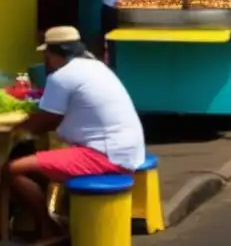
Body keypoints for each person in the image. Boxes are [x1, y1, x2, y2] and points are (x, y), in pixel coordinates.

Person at [1, 27, 146, 241]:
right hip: (125, 151)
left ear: (52, 54)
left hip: (105, 156)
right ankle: (53, 220)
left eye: (46, 54)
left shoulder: (63, 76)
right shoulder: (95, 66)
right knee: (37, 164)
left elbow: (48, 119)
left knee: (10, 169)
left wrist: (16, 130)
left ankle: (48, 228)